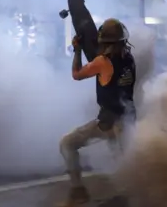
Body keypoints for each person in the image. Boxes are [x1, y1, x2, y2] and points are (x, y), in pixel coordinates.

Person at [58, 18, 136, 207]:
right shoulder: (129, 59)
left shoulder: (102, 62)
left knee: (67, 144)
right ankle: (130, 196)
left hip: (109, 122)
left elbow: (77, 74)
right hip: (128, 119)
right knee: (124, 163)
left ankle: (78, 192)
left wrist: (77, 50)